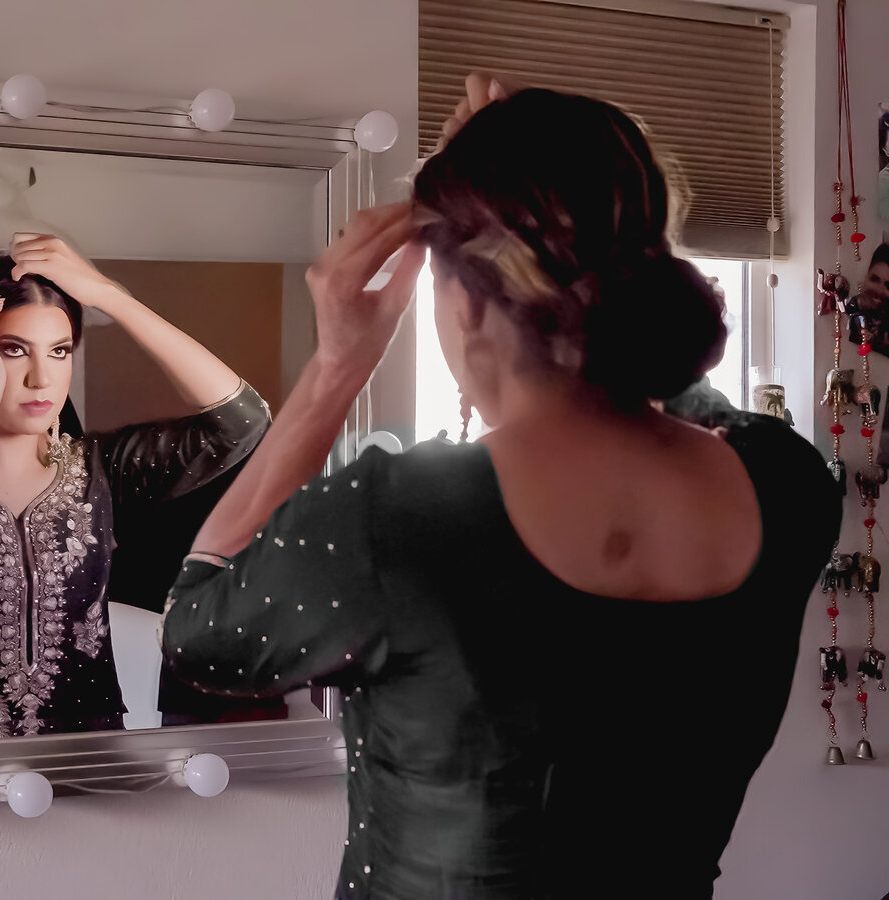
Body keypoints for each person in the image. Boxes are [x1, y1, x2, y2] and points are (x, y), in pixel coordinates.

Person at [160, 78, 841, 899]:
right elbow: (666, 394)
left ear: (469, 308)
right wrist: (535, 202)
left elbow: (197, 627)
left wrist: (339, 363)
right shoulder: (788, 485)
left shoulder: (401, 522)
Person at [0, 236, 270, 743]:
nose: (42, 378)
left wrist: (109, 296)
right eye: (13, 351)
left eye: (59, 351)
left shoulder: (98, 471)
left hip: (87, 770)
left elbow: (242, 424)